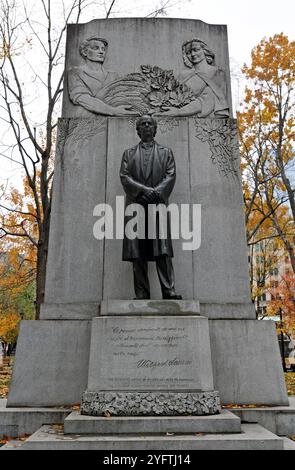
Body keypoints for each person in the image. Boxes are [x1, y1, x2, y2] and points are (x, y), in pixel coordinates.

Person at [120, 115, 182, 300]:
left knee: (162, 250)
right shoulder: (128, 154)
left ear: (155, 129)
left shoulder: (166, 152)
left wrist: (156, 193)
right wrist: (144, 191)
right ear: (138, 130)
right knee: (137, 252)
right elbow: (124, 177)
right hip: (136, 205)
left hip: (158, 206)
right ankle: (141, 293)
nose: (146, 126)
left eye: (149, 124)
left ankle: (168, 290)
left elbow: (171, 175)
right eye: (142, 124)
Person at [163, 38, 229, 118]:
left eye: (196, 50)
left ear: (205, 50)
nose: (193, 54)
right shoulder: (183, 75)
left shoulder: (217, 73)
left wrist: (179, 112)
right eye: (188, 52)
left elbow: (209, 99)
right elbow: (174, 96)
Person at [68, 36, 133, 116]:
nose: (101, 52)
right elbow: (82, 98)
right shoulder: (76, 72)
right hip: (87, 120)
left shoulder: (113, 76)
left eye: (103, 49)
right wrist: (113, 111)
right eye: (96, 48)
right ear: (85, 52)